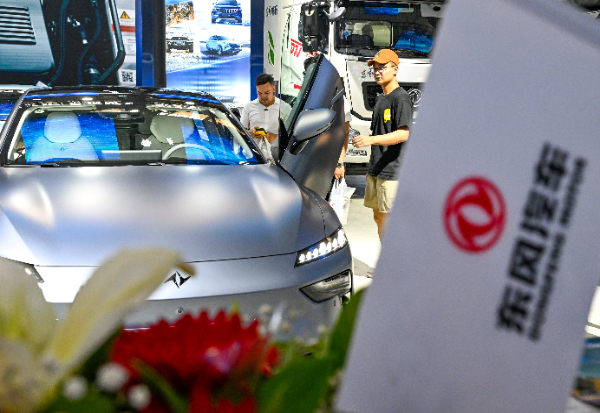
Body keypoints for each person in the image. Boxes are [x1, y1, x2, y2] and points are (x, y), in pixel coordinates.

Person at [352, 49, 413, 240]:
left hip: (392, 171)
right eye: (375, 68)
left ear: (395, 69)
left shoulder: (401, 98)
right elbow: (379, 131)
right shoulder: (380, 99)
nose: (377, 72)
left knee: (390, 223)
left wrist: (370, 140)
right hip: (377, 170)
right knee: (378, 218)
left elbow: (404, 133)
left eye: (382, 67)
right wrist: (371, 169)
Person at [240, 73, 291, 161]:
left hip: (277, 158)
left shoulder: (285, 108)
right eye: (260, 93)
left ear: (273, 89)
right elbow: (240, 133)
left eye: (267, 93)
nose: (263, 96)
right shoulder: (249, 107)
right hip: (253, 157)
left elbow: (290, 136)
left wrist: (275, 137)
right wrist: (252, 132)